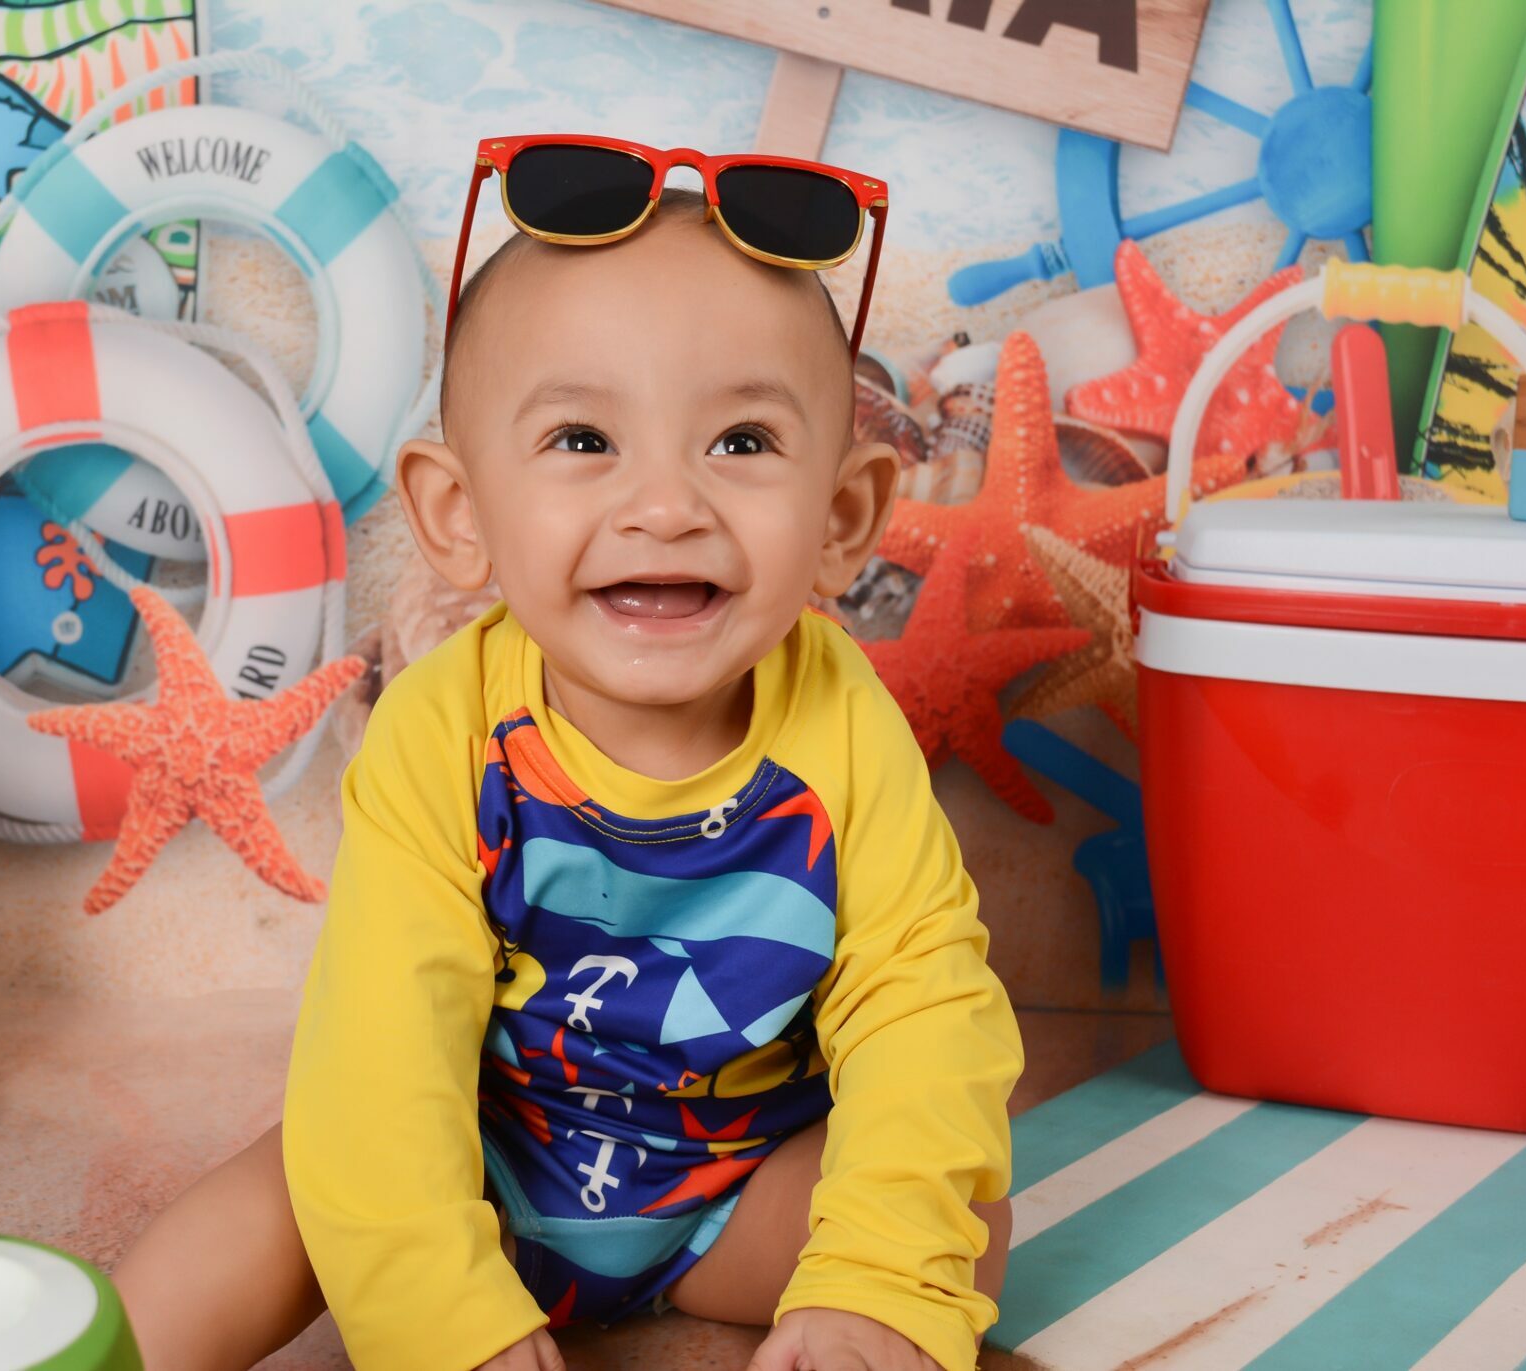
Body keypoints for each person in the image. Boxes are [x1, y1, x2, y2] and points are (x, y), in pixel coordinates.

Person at [115, 140, 1022, 1371]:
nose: (667, 507)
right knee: (286, 1196)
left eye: (743, 442)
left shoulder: (846, 726)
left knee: (962, 1228)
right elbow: (385, 1048)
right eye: (585, 439)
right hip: (481, 1168)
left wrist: (872, 1275)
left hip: (733, 1190)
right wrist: (438, 1308)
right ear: (460, 516)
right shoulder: (443, 732)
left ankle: (791, 1300)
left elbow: (920, 1000)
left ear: (842, 518)